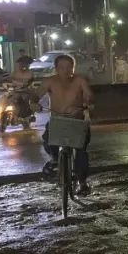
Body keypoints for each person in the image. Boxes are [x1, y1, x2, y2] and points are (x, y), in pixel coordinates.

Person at [33, 54, 95, 195]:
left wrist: (89, 103)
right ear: (56, 68)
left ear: (73, 68)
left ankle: (82, 182)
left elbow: (89, 95)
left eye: (69, 67)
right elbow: (36, 94)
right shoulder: (50, 81)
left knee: (81, 151)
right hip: (57, 121)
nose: (66, 70)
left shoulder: (79, 80)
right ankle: (54, 160)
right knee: (48, 140)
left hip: (77, 121)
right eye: (62, 68)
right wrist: (33, 103)